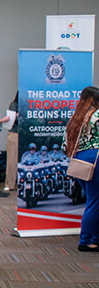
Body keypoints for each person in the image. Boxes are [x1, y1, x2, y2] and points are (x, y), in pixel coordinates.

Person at [63, 86, 99, 252]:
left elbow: (65, 146)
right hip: (95, 160)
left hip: (79, 161)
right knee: (94, 202)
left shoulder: (76, 118)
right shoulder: (97, 115)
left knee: (93, 201)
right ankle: (86, 241)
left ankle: (94, 238)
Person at [5, 91, 19, 191]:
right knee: (12, 160)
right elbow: (13, 118)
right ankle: (9, 184)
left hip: (22, 133)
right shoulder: (13, 104)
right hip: (15, 133)